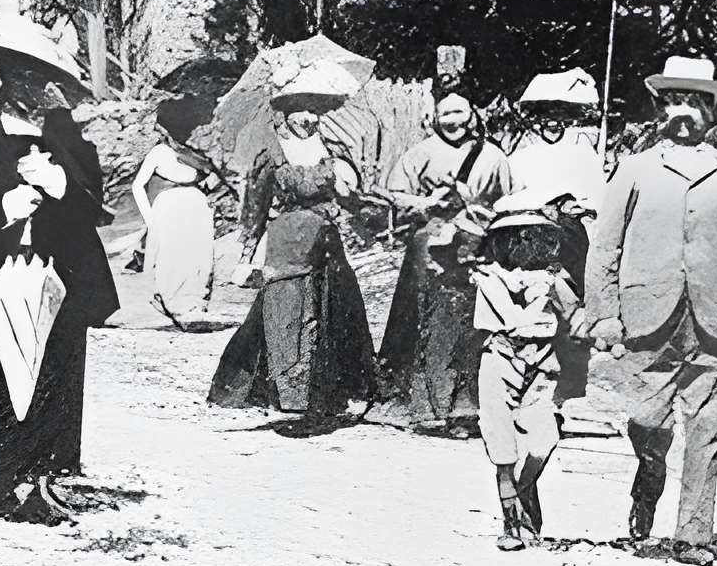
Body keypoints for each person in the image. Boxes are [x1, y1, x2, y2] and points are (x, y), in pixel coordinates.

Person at [586, 57, 717, 565]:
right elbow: (604, 247)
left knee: (707, 428)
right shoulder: (633, 169)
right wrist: (604, 313)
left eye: (696, 103)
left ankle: (693, 536)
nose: (684, 112)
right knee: (647, 420)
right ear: (659, 107)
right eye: (675, 100)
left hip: (712, 322)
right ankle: (648, 475)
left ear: (712, 112)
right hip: (646, 316)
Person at [0, 16, 119, 522]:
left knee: (54, 370)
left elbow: (95, 208)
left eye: (40, 80)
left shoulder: (67, 136)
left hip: (54, 272)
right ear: (7, 78)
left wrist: (61, 186)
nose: (32, 89)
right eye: (22, 77)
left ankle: (42, 475)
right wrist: (4, 206)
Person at [209, 61, 380, 433]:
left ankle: (326, 395)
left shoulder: (333, 150)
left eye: (315, 110)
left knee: (331, 312)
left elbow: (354, 202)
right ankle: (287, 396)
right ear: (285, 113)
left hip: (326, 242)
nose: (309, 118)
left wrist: (350, 191)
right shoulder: (270, 154)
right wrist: (245, 255)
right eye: (300, 110)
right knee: (283, 314)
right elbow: (254, 209)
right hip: (285, 242)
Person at [373, 89, 512, 433]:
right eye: (445, 114)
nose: (452, 122)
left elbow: (510, 200)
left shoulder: (492, 157)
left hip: (475, 245)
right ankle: (409, 395)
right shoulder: (420, 153)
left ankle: (467, 401)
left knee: (471, 321)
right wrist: (425, 203)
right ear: (434, 118)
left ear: (472, 116)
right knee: (417, 314)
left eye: (459, 113)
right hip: (429, 244)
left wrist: (477, 205)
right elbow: (395, 195)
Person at [470, 205, 581, 550]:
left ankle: (524, 492)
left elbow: (576, 314)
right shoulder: (487, 277)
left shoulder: (554, 278)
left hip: (543, 361)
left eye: (534, 237)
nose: (526, 245)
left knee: (542, 441)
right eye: (518, 238)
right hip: (499, 359)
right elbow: (511, 318)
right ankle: (511, 524)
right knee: (502, 447)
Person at [500, 69, 611, 411]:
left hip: (572, 241)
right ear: (534, 119)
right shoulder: (518, 157)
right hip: (528, 239)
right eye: (545, 115)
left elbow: (600, 201)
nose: (552, 123)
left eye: (560, 116)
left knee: (569, 311)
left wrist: (581, 208)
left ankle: (568, 388)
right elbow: (507, 199)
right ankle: (519, 384)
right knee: (528, 309)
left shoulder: (585, 156)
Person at [127, 94, 226, 328]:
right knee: (171, 254)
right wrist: (149, 219)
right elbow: (137, 185)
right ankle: (173, 302)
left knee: (198, 254)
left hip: (196, 206)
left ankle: (196, 303)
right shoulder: (159, 152)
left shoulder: (197, 154)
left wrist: (210, 195)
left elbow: (216, 179)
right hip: (169, 207)